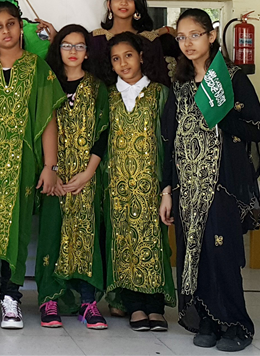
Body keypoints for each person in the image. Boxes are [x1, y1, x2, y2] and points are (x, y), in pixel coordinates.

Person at [161, 9, 260, 352]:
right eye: (181, 37)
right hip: (186, 186)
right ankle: (206, 319)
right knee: (194, 254)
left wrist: (221, 115)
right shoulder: (179, 85)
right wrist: (166, 190)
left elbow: (257, 128)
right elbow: (168, 139)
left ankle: (236, 324)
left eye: (195, 35)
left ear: (211, 36)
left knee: (222, 251)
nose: (188, 43)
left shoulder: (232, 79)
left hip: (222, 183)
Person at [0, 1, 65, 332]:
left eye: (11, 23)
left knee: (17, 229)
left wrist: (50, 166)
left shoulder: (37, 68)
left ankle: (11, 298)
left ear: (21, 27)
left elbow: (48, 118)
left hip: (22, 166)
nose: (5, 31)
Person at [35, 25, 109, 330]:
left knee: (86, 235)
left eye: (80, 46)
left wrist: (88, 173)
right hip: (54, 175)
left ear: (88, 52)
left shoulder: (97, 87)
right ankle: (49, 299)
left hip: (86, 177)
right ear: (58, 48)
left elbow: (104, 132)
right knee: (52, 234)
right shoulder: (47, 83)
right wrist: (50, 171)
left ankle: (88, 302)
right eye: (67, 45)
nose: (73, 51)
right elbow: (39, 128)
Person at [104, 32, 175, 332]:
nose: (123, 63)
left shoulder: (160, 94)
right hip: (117, 187)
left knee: (153, 242)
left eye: (128, 56)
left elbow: (169, 143)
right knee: (123, 242)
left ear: (141, 56)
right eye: (116, 59)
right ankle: (134, 305)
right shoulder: (108, 97)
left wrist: (166, 188)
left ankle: (155, 306)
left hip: (151, 187)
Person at [89, 0, 179, 87]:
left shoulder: (149, 40)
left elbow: (159, 83)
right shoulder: (95, 39)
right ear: (109, 4)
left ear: (137, 4)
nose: (123, 3)